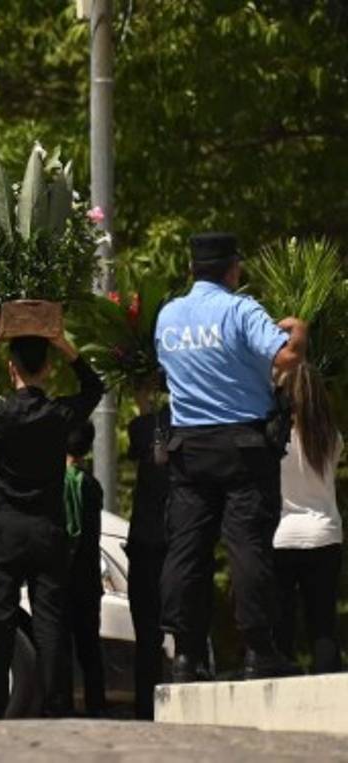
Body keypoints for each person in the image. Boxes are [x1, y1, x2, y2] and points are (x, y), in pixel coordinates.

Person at [154, 232, 307, 681]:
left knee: (186, 549)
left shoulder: (168, 317)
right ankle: (260, 650)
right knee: (248, 546)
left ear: (190, 271)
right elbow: (288, 356)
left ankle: (185, 655)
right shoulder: (241, 310)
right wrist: (299, 329)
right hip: (242, 446)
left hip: (188, 449)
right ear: (232, 270)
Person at [0, 319, 104, 718]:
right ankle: (53, 703)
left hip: (8, 528)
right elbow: (95, 389)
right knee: (49, 621)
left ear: (11, 367)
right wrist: (64, 344)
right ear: (47, 369)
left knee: (1, 620)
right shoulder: (59, 413)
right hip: (48, 530)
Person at [272, 362, 343, 674]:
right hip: (325, 535)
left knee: (281, 624)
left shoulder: (275, 439)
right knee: (323, 626)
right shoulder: (332, 438)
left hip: (281, 536)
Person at [125, 377, 170, 719]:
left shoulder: (152, 429)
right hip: (176, 541)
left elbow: (145, 442)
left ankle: (146, 707)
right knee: (186, 630)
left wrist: (143, 402)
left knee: (146, 637)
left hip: (147, 542)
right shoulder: (195, 425)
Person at [62, 422, 106, 717]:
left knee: (60, 644)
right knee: (90, 647)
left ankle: (60, 704)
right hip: (88, 577)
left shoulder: (55, 482)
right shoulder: (92, 485)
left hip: (62, 577)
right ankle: (96, 706)